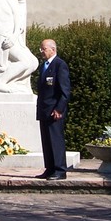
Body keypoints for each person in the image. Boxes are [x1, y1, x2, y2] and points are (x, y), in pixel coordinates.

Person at [35, 39, 71, 180]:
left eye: (43, 49)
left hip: (54, 111)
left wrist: (59, 109)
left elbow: (65, 91)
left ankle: (60, 170)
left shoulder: (60, 65)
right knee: (46, 141)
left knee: (56, 140)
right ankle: (49, 169)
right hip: (44, 110)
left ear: (52, 49)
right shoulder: (44, 66)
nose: (41, 51)